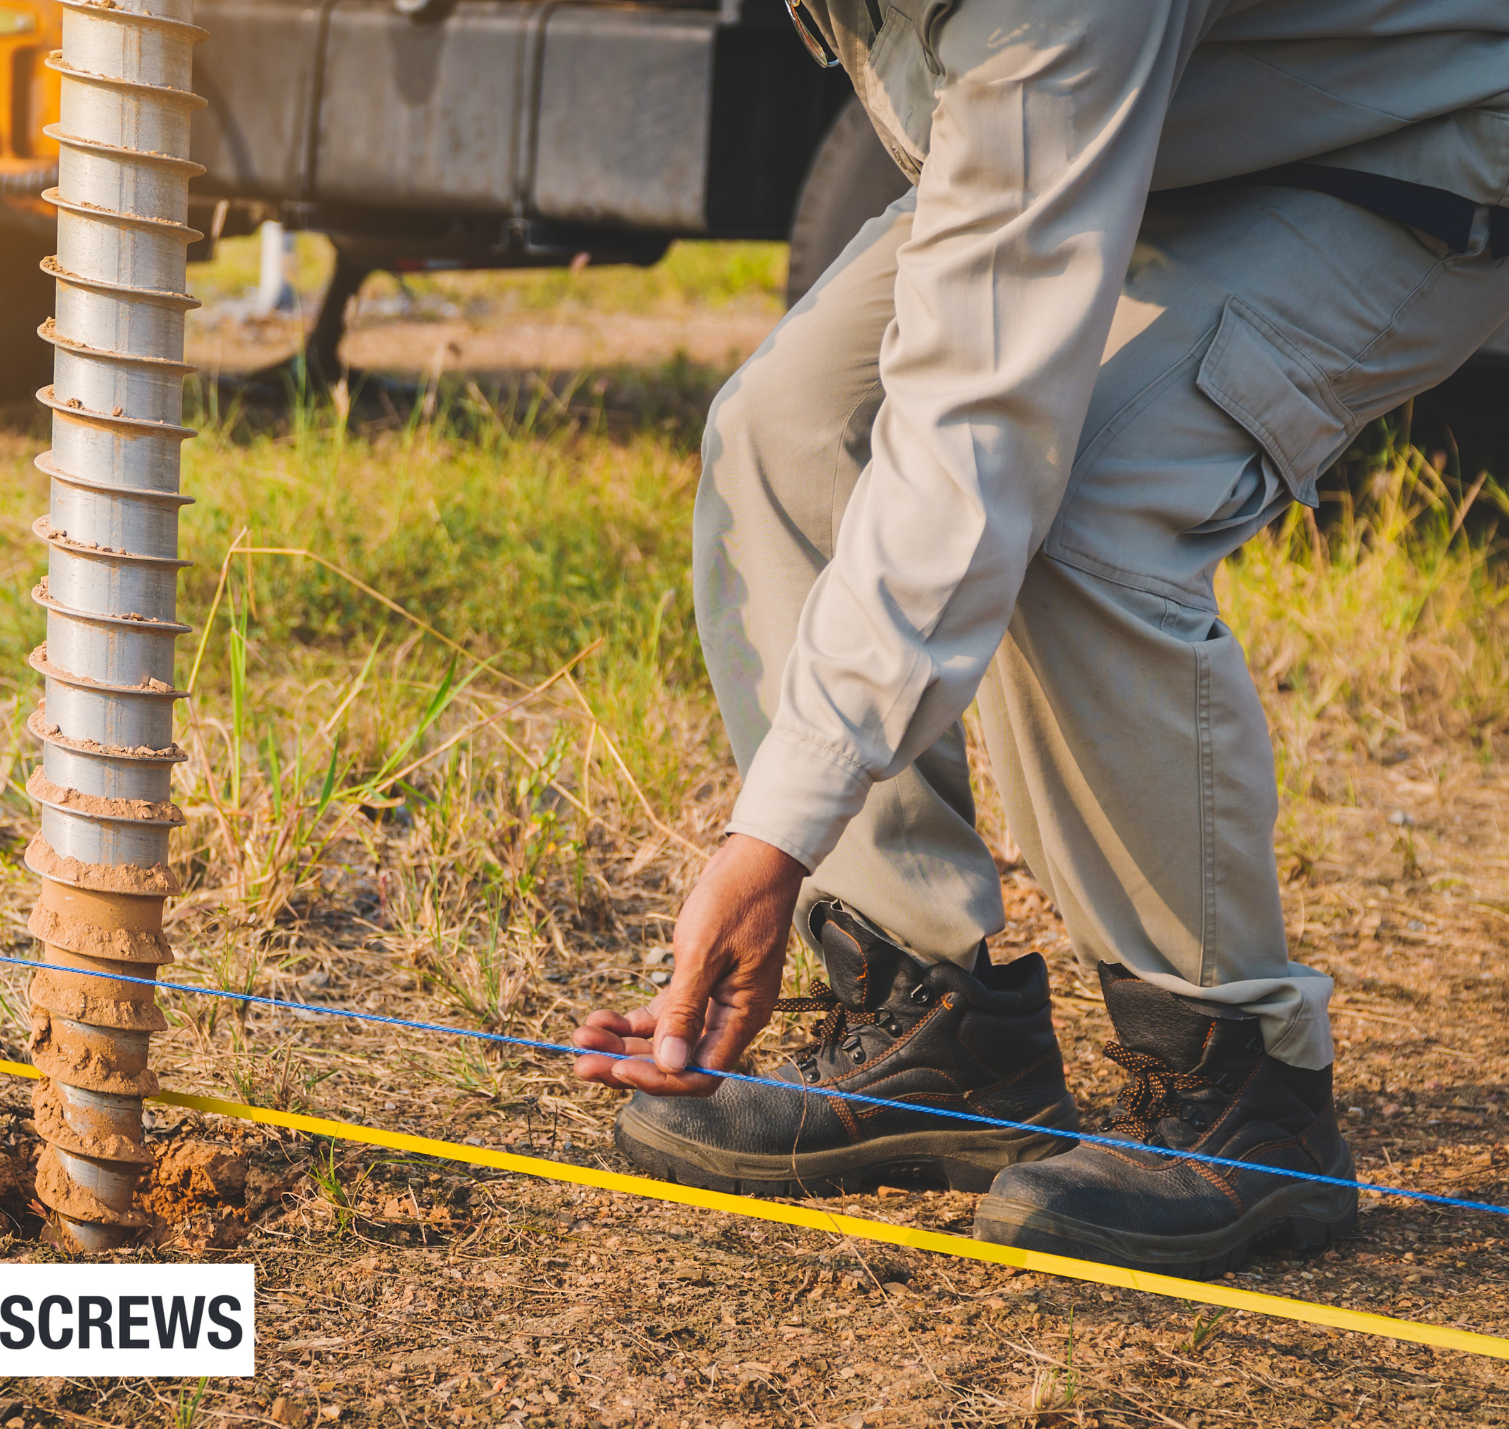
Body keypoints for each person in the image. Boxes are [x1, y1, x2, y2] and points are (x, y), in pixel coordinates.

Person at [570, 0, 1509, 1278]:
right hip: (1151, 131)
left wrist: (771, 834)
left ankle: (1240, 1085)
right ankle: (933, 1027)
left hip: (1403, 133)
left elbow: (978, 444)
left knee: (1084, 508)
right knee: (785, 423)